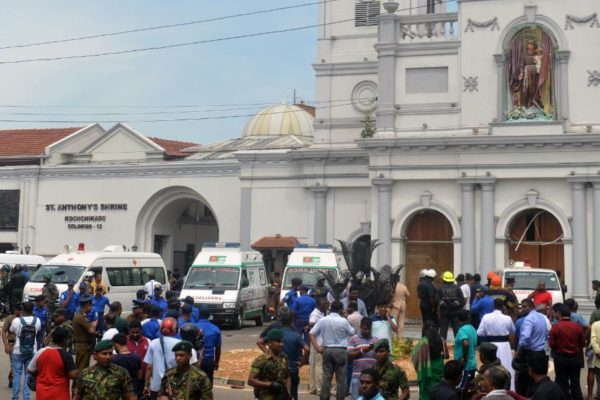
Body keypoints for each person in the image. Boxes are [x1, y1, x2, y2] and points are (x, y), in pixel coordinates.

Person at [310, 300, 355, 400]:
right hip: (340, 351)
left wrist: (317, 348)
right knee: (341, 379)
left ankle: (324, 398)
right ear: (340, 310)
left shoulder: (323, 320)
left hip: (327, 350)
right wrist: (346, 317)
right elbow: (352, 332)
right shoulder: (343, 321)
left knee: (326, 377)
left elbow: (311, 333)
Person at [144, 317, 198, 400]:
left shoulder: (153, 343)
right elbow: (194, 366)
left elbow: (149, 367)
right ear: (176, 329)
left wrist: (146, 385)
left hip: (156, 386)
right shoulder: (181, 344)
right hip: (176, 388)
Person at [27, 326, 78, 400]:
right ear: (65, 340)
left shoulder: (40, 352)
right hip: (59, 395)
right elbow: (73, 375)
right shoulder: (66, 356)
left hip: (42, 394)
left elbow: (30, 370)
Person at [477, 298, 516, 389]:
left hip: (491, 344)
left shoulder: (486, 317)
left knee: (491, 366)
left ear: (493, 306)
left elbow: (479, 332)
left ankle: (490, 387)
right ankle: (509, 389)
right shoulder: (507, 318)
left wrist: (489, 333)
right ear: (502, 306)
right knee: (506, 366)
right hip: (505, 345)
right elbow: (513, 331)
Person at [549, 303, 585, 400]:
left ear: (559, 314)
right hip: (575, 358)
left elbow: (552, 344)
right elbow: (582, 344)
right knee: (575, 383)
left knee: (562, 383)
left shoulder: (556, 327)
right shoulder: (577, 326)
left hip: (561, 358)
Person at [515, 298, 548, 396]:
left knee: (523, 380)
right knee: (538, 378)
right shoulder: (541, 317)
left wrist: (519, 351)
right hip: (540, 352)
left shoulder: (529, 319)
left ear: (531, 306)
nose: (522, 309)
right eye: (522, 307)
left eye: (525, 307)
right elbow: (546, 335)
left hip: (529, 353)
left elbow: (525, 337)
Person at [9, 301, 41, 400]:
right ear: (33, 310)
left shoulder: (16, 320)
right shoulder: (37, 320)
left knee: (17, 375)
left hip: (18, 351)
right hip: (32, 351)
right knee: (28, 375)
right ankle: (26, 398)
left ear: (23, 309)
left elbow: (11, 330)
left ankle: (15, 397)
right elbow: (38, 331)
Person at [248, 328, 291, 400]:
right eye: (278, 342)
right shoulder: (261, 360)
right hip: (266, 396)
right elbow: (251, 381)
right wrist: (270, 384)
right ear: (269, 343)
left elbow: (288, 376)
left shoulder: (284, 357)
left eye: (282, 341)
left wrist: (288, 393)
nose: (281, 344)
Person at [412, 320, 445, 400]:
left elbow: (414, 356)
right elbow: (445, 355)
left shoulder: (423, 341)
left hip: (427, 371)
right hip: (439, 368)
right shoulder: (441, 339)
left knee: (426, 393)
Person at [348, 317, 379, 400]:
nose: (367, 331)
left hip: (372, 377)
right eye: (365, 329)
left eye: (369, 329)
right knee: (356, 397)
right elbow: (349, 355)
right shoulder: (353, 339)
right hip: (357, 375)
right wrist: (362, 351)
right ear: (360, 327)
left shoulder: (376, 340)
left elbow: (379, 356)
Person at [279, 312, 309, 400]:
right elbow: (307, 349)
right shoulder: (296, 335)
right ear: (292, 321)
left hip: (277, 367)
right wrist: (303, 361)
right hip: (292, 367)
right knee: (293, 392)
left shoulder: (277, 333)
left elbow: (260, 342)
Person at [195, 304, 222, 384]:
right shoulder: (215, 329)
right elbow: (218, 348)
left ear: (199, 314)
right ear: (209, 315)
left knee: (195, 383)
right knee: (208, 384)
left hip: (195, 359)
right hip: (209, 360)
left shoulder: (194, 326)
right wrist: (216, 362)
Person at [437, 271, 466, 342]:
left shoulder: (440, 288)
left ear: (444, 279)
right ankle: (458, 345)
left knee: (443, 330)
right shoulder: (457, 288)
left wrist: (443, 304)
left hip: (444, 313)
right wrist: (455, 305)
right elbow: (462, 300)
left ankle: (442, 347)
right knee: (456, 330)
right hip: (455, 312)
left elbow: (437, 299)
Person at [72, 295, 97, 370]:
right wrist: (94, 324)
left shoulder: (82, 316)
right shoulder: (81, 317)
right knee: (82, 369)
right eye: (91, 305)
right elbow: (91, 331)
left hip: (82, 345)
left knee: (80, 367)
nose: (91, 307)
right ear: (87, 305)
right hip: (83, 346)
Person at [309, 296, 328, 396]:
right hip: (317, 343)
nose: (326, 305)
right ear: (318, 305)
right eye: (324, 303)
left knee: (314, 364)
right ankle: (319, 389)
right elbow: (311, 323)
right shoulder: (315, 314)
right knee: (319, 366)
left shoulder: (322, 313)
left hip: (317, 342)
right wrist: (319, 324)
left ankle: (313, 387)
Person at [454, 310, 477, 391]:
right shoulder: (472, 328)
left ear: (458, 320)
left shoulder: (462, 330)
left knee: (461, 390)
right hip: (473, 364)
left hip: (465, 366)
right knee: (469, 391)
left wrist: (464, 359)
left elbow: (465, 343)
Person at [3, 304, 21, 388]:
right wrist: (6, 345)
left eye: (22, 310)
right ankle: (13, 379)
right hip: (12, 343)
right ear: (15, 310)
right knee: (14, 362)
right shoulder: (9, 319)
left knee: (19, 363)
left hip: (22, 344)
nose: (20, 312)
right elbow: (3, 331)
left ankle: (13, 377)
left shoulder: (24, 318)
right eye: (19, 310)